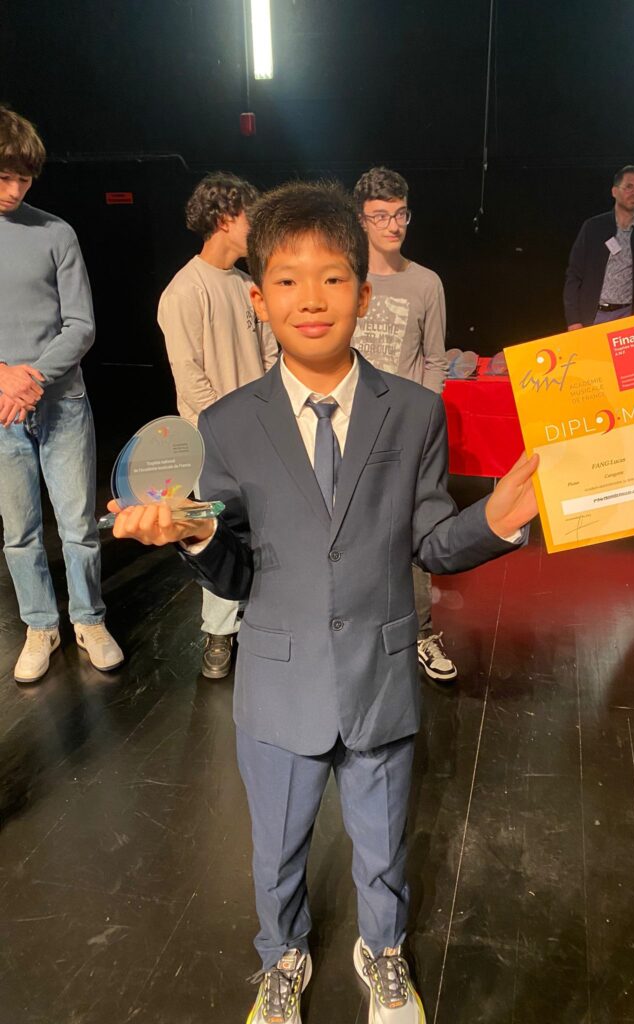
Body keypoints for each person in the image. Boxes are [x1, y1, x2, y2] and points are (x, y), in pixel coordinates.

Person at [108, 181, 539, 1024]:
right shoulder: (227, 425)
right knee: (276, 847)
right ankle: (282, 956)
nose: (311, 298)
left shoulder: (414, 412)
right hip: (278, 684)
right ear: (258, 300)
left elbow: (429, 541)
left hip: (380, 673)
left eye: (333, 277)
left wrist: (494, 520)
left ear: (364, 294)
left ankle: (384, 950)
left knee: (383, 843)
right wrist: (195, 535)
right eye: (288, 279)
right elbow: (235, 573)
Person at [0, 104, 122, 683]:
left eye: (24, 178)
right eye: (5, 176)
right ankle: (40, 624)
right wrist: (4, 377)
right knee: (19, 531)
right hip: (1, 406)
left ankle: (89, 619)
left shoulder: (56, 232)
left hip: (62, 402)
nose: (15, 189)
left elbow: (81, 325)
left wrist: (30, 379)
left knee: (78, 525)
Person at [158, 172, 278, 678]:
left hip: (261, 430)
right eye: (253, 218)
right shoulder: (185, 290)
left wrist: (269, 413)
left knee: (263, 527)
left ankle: (257, 621)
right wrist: (228, 429)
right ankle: (218, 632)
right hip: (214, 441)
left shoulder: (248, 284)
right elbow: (189, 377)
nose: (259, 229)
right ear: (225, 218)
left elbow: (270, 354)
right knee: (220, 529)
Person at [351, 166, 455, 683]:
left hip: (407, 429)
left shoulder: (426, 282)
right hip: (350, 429)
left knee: (415, 530)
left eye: (400, 214)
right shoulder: (346, 277)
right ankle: (357, 634)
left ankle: (422, 632)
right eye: (381, 216)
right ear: (361, 220)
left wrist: (424, 418)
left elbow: (435, 359)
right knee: (353, 533)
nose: (393, 225)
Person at [564, 164, 634, 330]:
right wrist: (573, 320)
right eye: (629, 186)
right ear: (614, 191)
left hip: (628, 316)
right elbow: (574, 274)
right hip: (593, 316)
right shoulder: (593, 227)